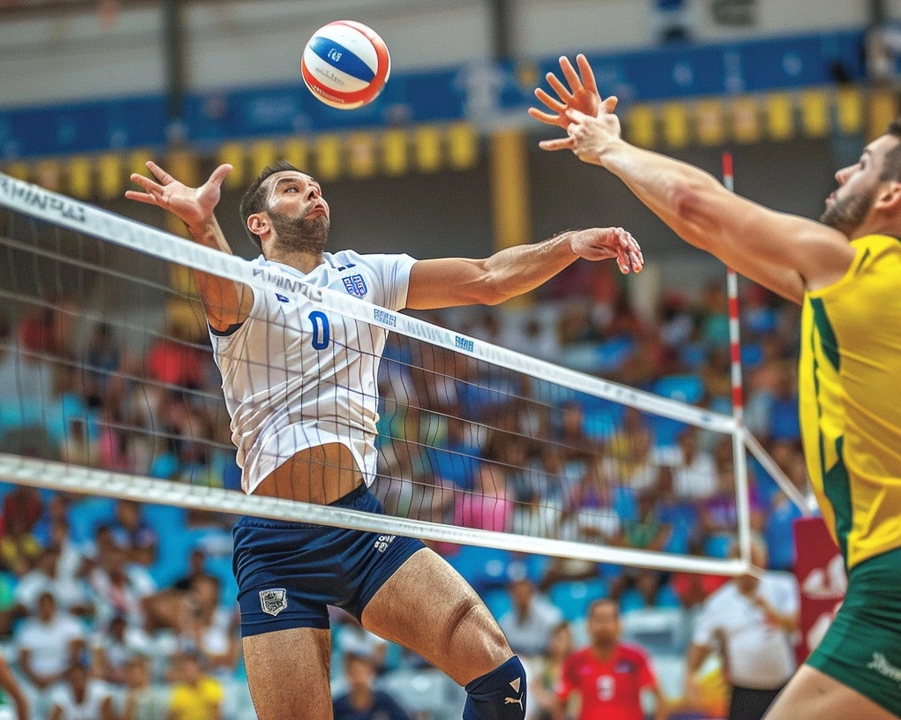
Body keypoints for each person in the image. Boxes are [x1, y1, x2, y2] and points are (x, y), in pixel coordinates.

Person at [532, 54, 901, 719]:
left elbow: (698, 201)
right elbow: (702, 228)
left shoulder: (846, 261)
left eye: (860, 164)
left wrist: (610, 147)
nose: (841, 173)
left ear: (891, 197)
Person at [125, 145, 643, 719]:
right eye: (293, 188)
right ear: (259, 223)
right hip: (277, 546)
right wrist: (201, 224)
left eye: (316, 186)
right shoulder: (245, 283)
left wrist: (570, 244)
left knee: (502, 678)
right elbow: (220, 296)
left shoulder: (362, 274)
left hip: (358, 525)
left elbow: (487, 279)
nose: (313, 192)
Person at [686, 541, 798, 720]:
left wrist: (772, 613)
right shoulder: (718, 602)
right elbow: (700, 643)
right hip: (743, 691)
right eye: (741, 560)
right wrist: (690, 675)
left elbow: (799, 623)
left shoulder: (783, 585)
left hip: (785, 687)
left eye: (752, 559)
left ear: (763, 559)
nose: (747, 567)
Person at [556, 599, 667, 720]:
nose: (603, 626)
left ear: (619, 624)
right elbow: (560, 703)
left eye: (608, 620)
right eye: (598, 620)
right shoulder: (575, 661)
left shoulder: (636, 658)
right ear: (588, 624)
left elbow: (659, 697)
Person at [15, 593, 86, 703]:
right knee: (25, 698)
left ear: (55, 606)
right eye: (42, 606)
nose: (46, 609)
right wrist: (37, 679)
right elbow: (24, 663)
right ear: (37, 608)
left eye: (49, 605)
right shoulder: (28, 629)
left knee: (60, 698)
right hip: (34, 681)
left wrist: (56, 678)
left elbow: (74, 658)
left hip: (62, 679)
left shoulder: (69, 626)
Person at [331, 653, 413, 720]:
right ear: (347, 674)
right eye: (354, 672)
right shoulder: (338, 704)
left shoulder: (385, 700)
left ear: (370, 672)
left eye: (361, 671)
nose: (358, 676)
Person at [497, 578, 563, 659]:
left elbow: (558, 647)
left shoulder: (550, 617)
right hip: (519, 661)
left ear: (531, 593)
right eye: (517, 593)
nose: (521, 597)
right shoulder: (506, 622)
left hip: (543, 660)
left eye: (524, 592)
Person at [46, 663, 113, 720]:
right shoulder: (61, 697)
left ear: (87, 679)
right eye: (74, 680)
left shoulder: (100, 693)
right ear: (69, 682)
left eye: (80, 678)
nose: (78, 683)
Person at [165, 654, 221, 720]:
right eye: (186, 670)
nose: (189, 673)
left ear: (199, 669)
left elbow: (215, 715)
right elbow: (172, 716)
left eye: (191, 670)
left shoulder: (211, 686)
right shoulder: (179, 691)